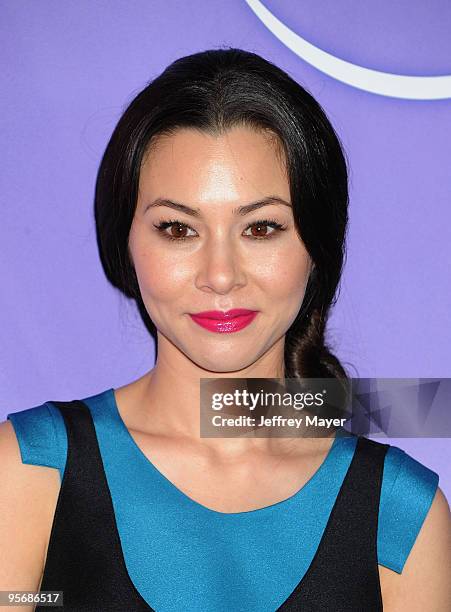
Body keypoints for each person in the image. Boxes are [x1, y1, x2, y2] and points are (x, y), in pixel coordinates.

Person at [1, 48, 450, 612]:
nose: (220, 276)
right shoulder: (34, 469)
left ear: (317, 246)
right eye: (177, 229)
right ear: (126, 244)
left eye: (261, 228)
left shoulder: (400, 512)